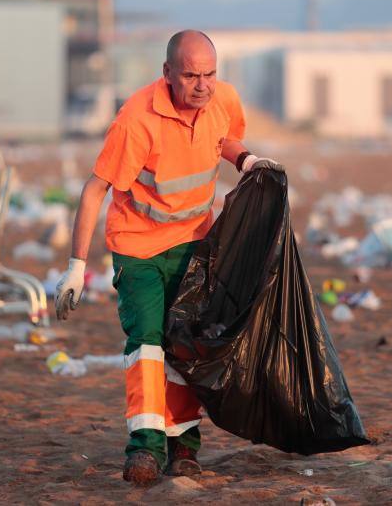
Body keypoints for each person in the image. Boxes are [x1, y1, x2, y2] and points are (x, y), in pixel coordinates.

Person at [54, 30, 283, 486]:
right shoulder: (137, 120)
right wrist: (76, 266)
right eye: (191, 75)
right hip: (137, 246)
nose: (203, 85)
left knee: (186, 343)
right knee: (148, 340)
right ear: (167, 74)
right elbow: (95, 188)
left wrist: (248, 160)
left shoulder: (222, 100)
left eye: (210, 74)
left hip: (192, 242)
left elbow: (223, 139)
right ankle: (144, 448)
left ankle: (184, 447)